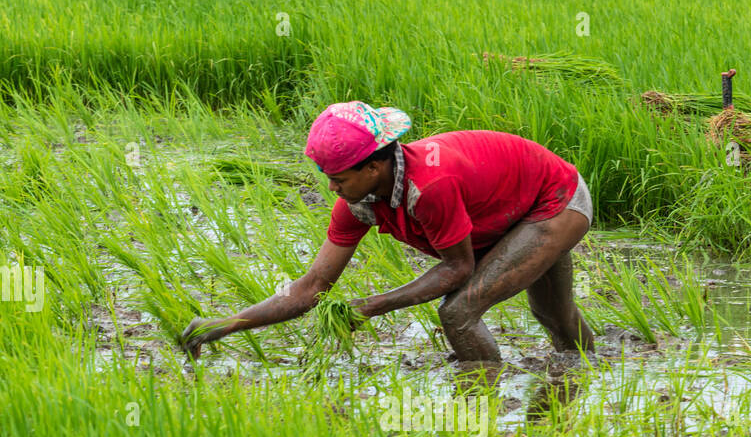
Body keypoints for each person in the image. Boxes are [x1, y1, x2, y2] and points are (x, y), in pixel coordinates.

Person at [180, 101, 594, 369]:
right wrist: (228, 323)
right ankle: (583, 379)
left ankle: (481, 404)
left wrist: (370, 307)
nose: (331, 189)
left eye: (339, 178)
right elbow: (311, 287)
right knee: (554, 316)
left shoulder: (429, 187)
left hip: (554, 202)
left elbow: (458, 268)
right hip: (507, 211)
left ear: (373, 168)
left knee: (459, 314)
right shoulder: (359, 200)